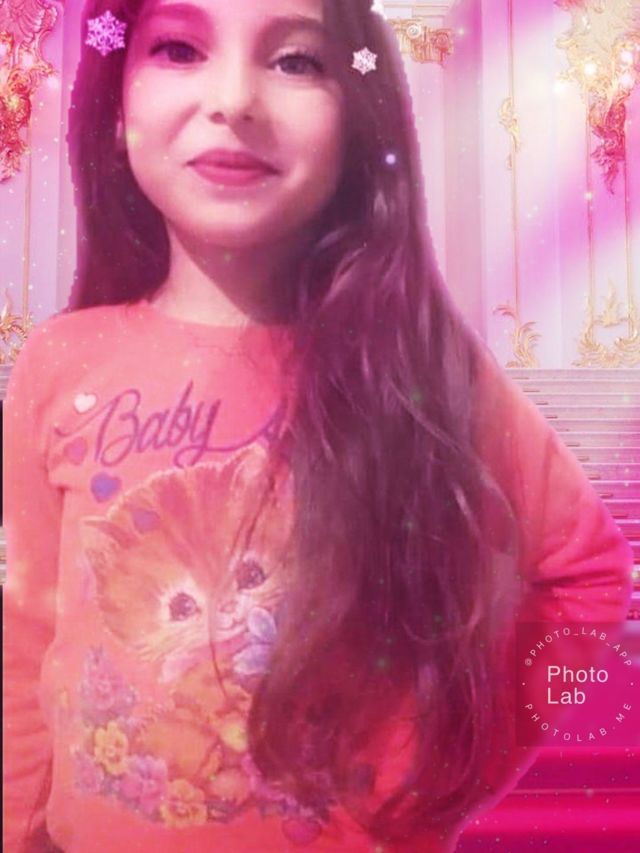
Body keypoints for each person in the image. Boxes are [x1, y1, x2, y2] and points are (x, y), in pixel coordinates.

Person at [2, 0, 634, 851]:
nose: (234, 99)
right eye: (179, 49)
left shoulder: (419, 367)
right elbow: (27, 631)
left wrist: (462, 759)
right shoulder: (61, 362)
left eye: (297, 60)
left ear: (357, 120)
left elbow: (587, 576)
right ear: (116, 111)